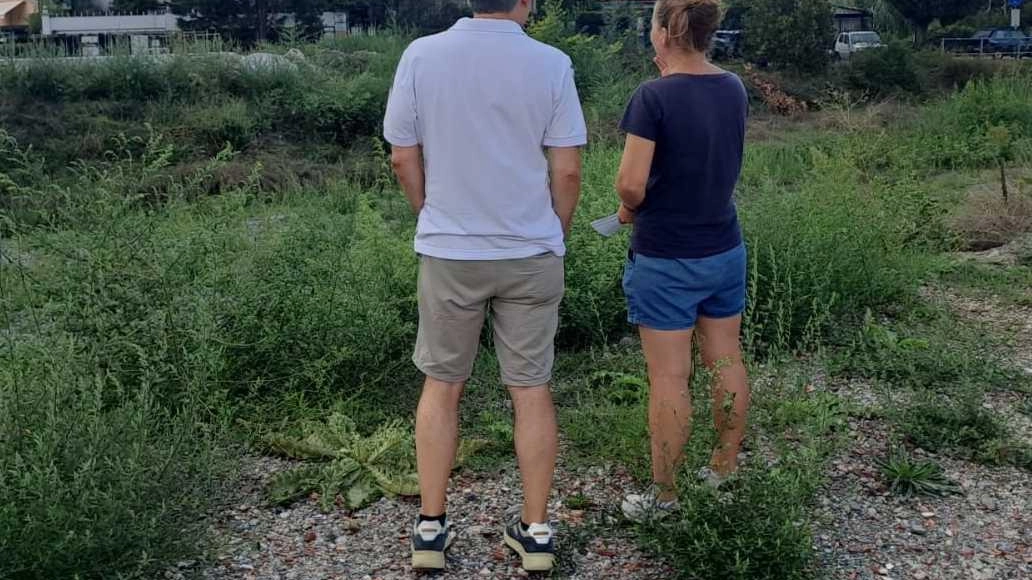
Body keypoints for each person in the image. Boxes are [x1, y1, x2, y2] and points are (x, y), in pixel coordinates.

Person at [383, 0, 587, 572]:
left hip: (452, 250)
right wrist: (554, 233)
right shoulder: (552, 62)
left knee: (442, 384)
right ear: (525, 2)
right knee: (531, 387)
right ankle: (537, 532)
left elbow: (403, 156)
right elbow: (566, 169)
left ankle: (430, 529)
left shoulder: (421, 56)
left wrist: (432, 215)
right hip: (530, 252)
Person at [613, 0, 751, 522]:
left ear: (666, 31)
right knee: (726, 358)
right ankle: (723, 471)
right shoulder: (733, 87)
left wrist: (628, 208)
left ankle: (664, 497)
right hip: (723, 248)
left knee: (670, 378)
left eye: (652, 22)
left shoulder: (653, 96)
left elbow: (630, 181)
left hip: (667, 257)